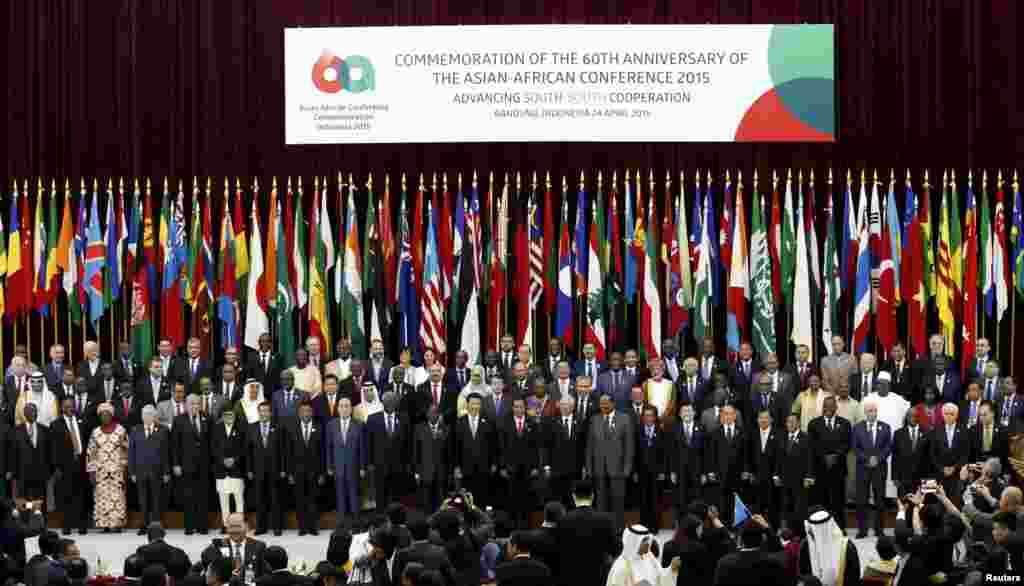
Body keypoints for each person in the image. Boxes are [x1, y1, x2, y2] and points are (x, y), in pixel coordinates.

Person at [587, 394, 634, 529]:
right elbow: (590, 446)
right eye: (601, 403)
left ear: (613, 404)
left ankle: (618, 529)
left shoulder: (624, 419)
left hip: (618, 469)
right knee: (600, 502)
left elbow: (629, 446)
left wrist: (627, 468)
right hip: (599, 468)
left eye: (606, 403)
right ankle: (602, 529)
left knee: (617, 502)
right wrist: (589, 467)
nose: (604, 406)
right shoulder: (594, 420)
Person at [862, 371, 910, 497]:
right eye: (879, 383)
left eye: (885, 384)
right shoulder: (868, 399)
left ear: (889, 385)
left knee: (892, 473)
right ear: (876, 384)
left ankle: (893, 498)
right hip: (874, 446)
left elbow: (908, 413)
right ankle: (875, 498)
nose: (882, 386)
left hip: (893, 446)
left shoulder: (898, 400)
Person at [807, 397, 850, 530]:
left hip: (838, 469)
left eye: (832, 406)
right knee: (822, 502)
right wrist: (824, 457)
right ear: (823, 407)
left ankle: (840, 529)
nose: (829, 408)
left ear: (836, 407)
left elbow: (847, 444)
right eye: (826, 406)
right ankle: (822, 529)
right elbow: (812, 446)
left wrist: (835, 456)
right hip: (820, 469)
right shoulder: (814, 424)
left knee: (838, 502)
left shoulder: (845, 423)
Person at [86, 402, 128, 532]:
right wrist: (91, 472)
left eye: (107, 414)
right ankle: (104, 524)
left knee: (117, 497)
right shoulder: (95, 432)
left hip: (117, 471)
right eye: (102, 415)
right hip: (101, 472)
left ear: (112, 415)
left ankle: (117, 524)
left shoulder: (121, 430)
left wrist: (125, 468)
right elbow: (90, 453)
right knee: (102, 497)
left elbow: (126, 450)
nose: (105, 417)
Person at [499, 397, 541, 529]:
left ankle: (526, 527)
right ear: (512, 408)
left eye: (521, 407)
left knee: (527, 498)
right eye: (516, 407)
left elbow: (536, 447)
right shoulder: (505, 423)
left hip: (528, 469)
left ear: (525, 408)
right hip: (511, 468)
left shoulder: (532, 422)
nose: (518, 409)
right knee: (512, 498)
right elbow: (501, 446)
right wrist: (502, 467)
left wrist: (535, 466)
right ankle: (513, 527)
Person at [128, 405, 170, 533]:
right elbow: (131, 452)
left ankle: (156, 526)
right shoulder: (135, 430)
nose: (147, 417)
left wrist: (166, 472)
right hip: (140, 471)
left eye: (150, 414)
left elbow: (166, 452)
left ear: (154, 416)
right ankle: (144, 524)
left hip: (157, 471)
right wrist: (132, 472)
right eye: (145, 414)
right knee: (143, 500)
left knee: (157, 499)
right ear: (141, 416)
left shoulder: (163, 430)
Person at [172, 393, 211, 535]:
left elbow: (211, 442)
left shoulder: (207, 418)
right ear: (186, 405)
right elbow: (175, 444)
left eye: (197, 403)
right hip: (186, 464)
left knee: (203, 496)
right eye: (192, 403)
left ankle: (202, 526)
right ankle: (189, 526)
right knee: (188, 496)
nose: (195, 406)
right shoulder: (179, 420)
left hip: (204, 464)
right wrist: (176, 464)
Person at [853, 401, 892, 537]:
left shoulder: (885, 427)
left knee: (879, 500)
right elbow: (855, 448)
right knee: (861, 500)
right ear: (865, 412)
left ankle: (879, 529)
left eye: (874, 410)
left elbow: (888, 447)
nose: (872, 413)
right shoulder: (857, 428)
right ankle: (862, 530)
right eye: (870, 411)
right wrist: (867, 459)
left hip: (879, 468)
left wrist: (878, 459)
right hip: (862, 468)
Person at [366, 391, 409, 513]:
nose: (390, 404)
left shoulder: (404, 418)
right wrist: (369, 463)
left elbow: (407, 442)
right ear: (383, 402)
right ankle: (381, 517)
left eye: (393, 401)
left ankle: (395, 519)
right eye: (387, 401)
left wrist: (407, 463)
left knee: (396, 494)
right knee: (380, 494)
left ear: (396, 403)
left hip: (398, 465)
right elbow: (369, 443)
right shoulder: (372, 419)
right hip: (379, 464)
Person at [713, 517, 788, 586]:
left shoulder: (724, 563)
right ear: (763, 539)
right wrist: (768, 528)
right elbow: (781, 552)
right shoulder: (773, 564)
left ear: (740, 539)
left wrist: (723, 529)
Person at [51, 396, 89, 534]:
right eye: (66, 406)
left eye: (72, 406)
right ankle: (66, 526)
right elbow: (53, 448)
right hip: (64, 466)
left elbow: (86, 442)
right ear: (62, 408)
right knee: (65, 497)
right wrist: (56, 467)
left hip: (81, 464)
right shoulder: (56, 424)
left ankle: (82, 525)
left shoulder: (81, 421)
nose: (70, 409)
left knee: (81, 496)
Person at [247, 400, 284, 536]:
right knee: (259, 500)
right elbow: (248, 451)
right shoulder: (252, 427)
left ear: (270, 413)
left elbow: (282, 450)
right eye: (261, 411)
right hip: (258, 470)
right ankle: (261, 527)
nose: (264, 413)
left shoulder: (278, 427)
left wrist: (283, 469)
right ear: (258, 412)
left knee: (275, 499)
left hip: (274, 469)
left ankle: (277, 527)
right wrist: (249, 469)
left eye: (266, 411)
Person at [454, 393, 497, 507]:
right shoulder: (459, 422)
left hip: (484, 467)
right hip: (466, 467)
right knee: (467, 498)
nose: (475, 406)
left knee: (482, 497)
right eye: (472, 403)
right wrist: (457, 466)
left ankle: (481, 517)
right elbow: (455, 446)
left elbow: (493, 444)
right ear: (467, 404)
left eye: (478, 404)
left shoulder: (488, 422)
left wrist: (493, 463)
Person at [288, 401, 324, 535]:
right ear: (299, 413)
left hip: (314, 471)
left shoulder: (319, 427)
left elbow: (322, 452)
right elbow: (288, 452)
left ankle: (313, 527)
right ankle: (302, 527)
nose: (306, 413)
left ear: (312, 412)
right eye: (303, 411)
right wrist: (290, 473)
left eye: (308, 411)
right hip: (297, 471)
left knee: (313, 500)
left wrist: (322, 473)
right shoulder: (292, 428)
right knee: (300, 500)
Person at [326, 396, 364, 524]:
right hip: (338, 467)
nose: (344, 409)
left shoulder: (359, 424)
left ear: (351, 409)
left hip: (354, 467)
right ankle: (341, 525)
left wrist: (362, 467)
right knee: (340, 497)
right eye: (341, 406)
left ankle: (356, 525)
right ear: (338, 409)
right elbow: (328, 447)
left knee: (354, 497)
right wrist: (329, 466)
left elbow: (362, 448)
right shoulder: (331, 425)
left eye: (347, 406)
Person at [798, 508, 860, 586]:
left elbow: (854, 576)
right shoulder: (806, 545)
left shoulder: (846, 546)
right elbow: (803, 574)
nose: (811, 533)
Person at [543, 396, 585, 507]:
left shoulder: (580, 421)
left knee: (573, 500)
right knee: (558, 499)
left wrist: (584, 465)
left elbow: (583, 445)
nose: (565, 407)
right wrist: (546, 465)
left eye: (568, 405)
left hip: (575, 468)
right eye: (563, 405)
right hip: (557, 468)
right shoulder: (552, 421)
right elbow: (546, 445)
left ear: (573, 407)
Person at [203, 513, 268, 582]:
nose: (235, 530)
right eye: (231, 527)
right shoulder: (217, 546)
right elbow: (206, 567)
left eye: (238, 526)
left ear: (246, 526)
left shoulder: (259, 546)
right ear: (226, 528)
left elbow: (266, 574)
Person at [606, 525, 679, 586]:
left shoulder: (650, 557)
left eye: (648, 539)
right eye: (644, 540)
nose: (648, 543)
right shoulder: (621, 567)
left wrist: (672, 569)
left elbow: (661, 579)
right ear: (633, 543)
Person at [211, 408, 247, 528]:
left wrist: (234, 460)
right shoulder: (216, 428)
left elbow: (244, 448)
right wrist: (222, 460)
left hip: (237, 470)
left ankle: (239, 525)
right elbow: (213, 448)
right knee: (224, 501)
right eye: (226, 415)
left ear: (235, 416)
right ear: (222, 416)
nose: (229, 417)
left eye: (231, 414)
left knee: (239, 500)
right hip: (221, 470)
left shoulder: (241, 428)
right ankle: (226, 526)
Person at [634, 405, 667, 531]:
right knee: (643, 499)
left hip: (656, 472)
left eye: (651, 415)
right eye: (646, 415)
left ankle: (654, 527)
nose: (648, 418)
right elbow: (634, 453)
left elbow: (665, 453)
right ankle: (643, 526)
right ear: (643, 417)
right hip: (641, 471)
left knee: (655, 500)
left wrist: (663, 471)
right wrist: (634, 471)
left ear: (655, 417)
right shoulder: (638, 431)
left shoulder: (661, 431)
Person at [413, 405, 449, 512]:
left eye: (435, 413)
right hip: (425, 470)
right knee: (426, 501)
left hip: (441, 470)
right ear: (427, 415)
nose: (433, 415)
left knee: (441, 500)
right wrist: (416, 471)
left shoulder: (446, 429)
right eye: (430, 413)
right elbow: (416, 451)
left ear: (439, 415)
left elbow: (450, 451)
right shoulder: (419, 428)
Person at [669, 403, 705, 512]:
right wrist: (672, 471)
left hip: (697, 470)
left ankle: (696, 520)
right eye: (684, 411)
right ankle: (681, 521)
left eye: (689, 411)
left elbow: (706, 451)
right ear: (680, 414)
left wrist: (704, 472)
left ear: (694, 413)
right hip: (680, 470)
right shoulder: (674, 428)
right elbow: (671, 452)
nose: (687, 413)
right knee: (681, 499)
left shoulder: (702, 428)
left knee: (696, 499)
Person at [931, 402, 968, 503]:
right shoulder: (936, 430)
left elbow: (965, 453)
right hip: (940, 474)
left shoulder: (964, 430)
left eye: (952, 414)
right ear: (942, 415)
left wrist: (954, 467)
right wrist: (941, 468)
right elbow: (932, 454)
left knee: (955, 502)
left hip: (957, 475)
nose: (949, 417)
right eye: (946, 414)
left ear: (957, 415)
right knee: (939, 503)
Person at [891, 409, 928, 497]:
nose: (913, 418)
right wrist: (895, 477)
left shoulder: (927, 433)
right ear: (906, 417)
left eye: (916, 416)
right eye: (911, 416)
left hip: (923, 477)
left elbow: (930, 457)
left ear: (919, 417)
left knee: (922, 504)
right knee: (904, 503)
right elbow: (895, 457)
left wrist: (930, 479)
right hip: (903, 478)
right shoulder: (898, 433)